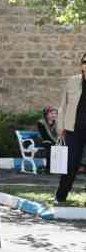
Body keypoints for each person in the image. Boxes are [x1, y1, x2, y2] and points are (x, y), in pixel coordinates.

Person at [56, 53, 86, 202]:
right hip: (74, 129)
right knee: (70, 163)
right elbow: (63, 105)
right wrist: (60, 126)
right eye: (85, 62)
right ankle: (61, 196)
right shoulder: (73, 81)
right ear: (81, 65)